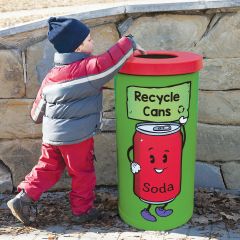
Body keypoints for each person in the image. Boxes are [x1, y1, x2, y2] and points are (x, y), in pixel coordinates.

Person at [7, 17, 144, 225]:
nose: (93, 43)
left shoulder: (51, 75)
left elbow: (37, 112)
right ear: (78, 46)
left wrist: (40, 118)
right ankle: (82, 211)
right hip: (77, 137)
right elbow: (109, 62)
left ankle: (24, 197)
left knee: (47, 167)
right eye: (89, 40)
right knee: (83, 173)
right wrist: (129, 42)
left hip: (51, 136)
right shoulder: (87, 69)